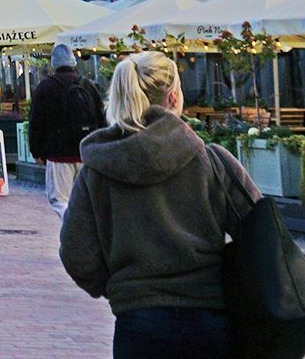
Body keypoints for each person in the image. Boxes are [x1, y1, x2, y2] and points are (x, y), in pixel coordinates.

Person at [59, 50, 260, 359]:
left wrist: (120, 288)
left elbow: (76, 253)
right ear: (174, 95)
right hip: (208, 319)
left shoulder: (97, 169)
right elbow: (262, 233)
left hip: (138, 323)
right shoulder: (212, 161)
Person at [29, 42, 105, 218]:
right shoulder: (88, 85)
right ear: (73, 62)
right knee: (86, 200)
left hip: (58, 154)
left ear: (53, 63)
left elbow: (36, 121)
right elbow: (101, 118)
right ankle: (82, 232)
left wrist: (36, 151)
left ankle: (73, 232)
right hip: (86, 152)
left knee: (60, 200)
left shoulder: (45, 87)